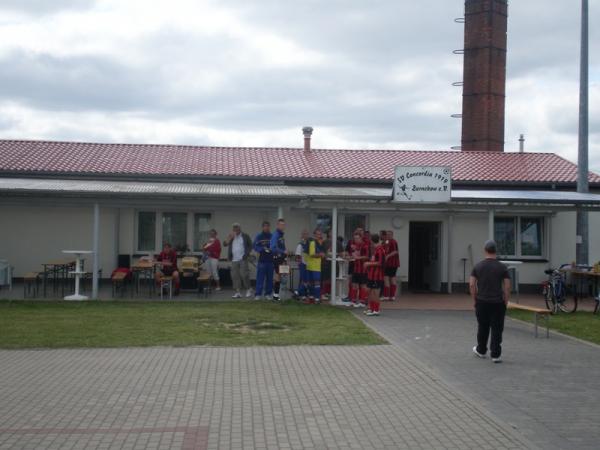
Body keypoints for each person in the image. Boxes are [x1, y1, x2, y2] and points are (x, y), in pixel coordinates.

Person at [469, 240, 511, 363]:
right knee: (497, 328)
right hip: (498, 302)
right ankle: (496, 355)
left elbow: (472, 285)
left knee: (483, 326)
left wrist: (475, 299)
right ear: (495, 251)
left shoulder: (477, 266)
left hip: (482, 301)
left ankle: (481, 350)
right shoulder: (502, 267)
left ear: (485, 250)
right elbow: (507, 286)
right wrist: (506, 301)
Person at [223, 223, 253, 298]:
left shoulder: (245, 236)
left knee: (244, 274)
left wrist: (246, 254)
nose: (235, 230)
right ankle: (238, 292)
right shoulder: (231, 237)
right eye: (234, 228)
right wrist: (229, 238)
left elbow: (250, 245)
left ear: (240, 229)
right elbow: (224, 244)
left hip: (243, 258)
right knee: (235, 276)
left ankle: (248, 289)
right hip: (234, 259)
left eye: (236, 228)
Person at [364, 234, 386, 316]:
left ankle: (376, 310)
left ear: (372, 241)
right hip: (372, 275)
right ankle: (372, 309)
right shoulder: (376, 249)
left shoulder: (380, 250)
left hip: (377, 276)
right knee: (372, 293)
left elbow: (380, 263)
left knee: (376, 293)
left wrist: (368, 263)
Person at [348, 231, 369, 308]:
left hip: (363, 269)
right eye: (354, 238)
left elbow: (367, 257)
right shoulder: (355, 246)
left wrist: (358, 258)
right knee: (354, 285)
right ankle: (353, 301)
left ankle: (363, 301)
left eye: (357, 238)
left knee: (363, 285)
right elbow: (353, 255)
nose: (356, 240)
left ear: (361, 238)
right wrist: (350, 257)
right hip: (356, 268)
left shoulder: (365, 246)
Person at [253, 221, 273, 300]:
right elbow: (255, 246)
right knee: (260, 278)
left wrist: (272, 249)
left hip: (271, 261)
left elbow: (275, 246)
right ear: (262, 227)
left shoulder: (272, 236)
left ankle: (268, 294)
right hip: (262, 261)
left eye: (268, 226)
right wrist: (262, 249)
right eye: (265, 226)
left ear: (269, 227)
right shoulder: (259, 236)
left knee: (270, 279)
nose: (266, 228)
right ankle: (258, 294)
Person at [305, 228, 326, 304]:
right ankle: (316, 298)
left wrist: (323, 254)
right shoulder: (312, 242)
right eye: (317, 234)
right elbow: (312, 254)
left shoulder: (319, 243)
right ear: (314, 235)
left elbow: (323, 253)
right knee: (315, 282)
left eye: (320, 234)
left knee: (312, 282)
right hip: (314, 266)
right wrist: (320, 255)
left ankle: (312, 298)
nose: (319, 236)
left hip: (313, 266)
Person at [270, 218, 287, 301]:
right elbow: (273, 247)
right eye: (281, 224)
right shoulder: (275, 234)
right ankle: (276, 295)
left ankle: (278, 295)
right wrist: (283, 251)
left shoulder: (281, 235)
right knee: (278, 276)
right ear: (277, 225)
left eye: (283, 225)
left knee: (281, 275)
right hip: (277, 257)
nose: (282, 226)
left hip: (282, 258)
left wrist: (285, 254)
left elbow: (282, 246)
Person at [383, 230, 400, 301]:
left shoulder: (393, 241)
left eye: (389, 235)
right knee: (388, 278)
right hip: (387, 263)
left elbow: (396, 251)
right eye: (387, 234)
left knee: (389, 278)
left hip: (393, 263)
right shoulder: (386, 242)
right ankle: (389, 296)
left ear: (392, 235)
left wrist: (388, 256)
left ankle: (390, 296)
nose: (388, 236)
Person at [294, 230, 310, 300]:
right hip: (303, 264)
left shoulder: (309, 243)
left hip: (309, 264)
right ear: (302, 235)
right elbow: (297, 255)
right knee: (304, 280)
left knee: (307, 280)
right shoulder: (300, 244)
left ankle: (299, 293)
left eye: (307, 234)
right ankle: (302, 294)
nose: (306, 235)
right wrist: (299, 263)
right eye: (304, 234)